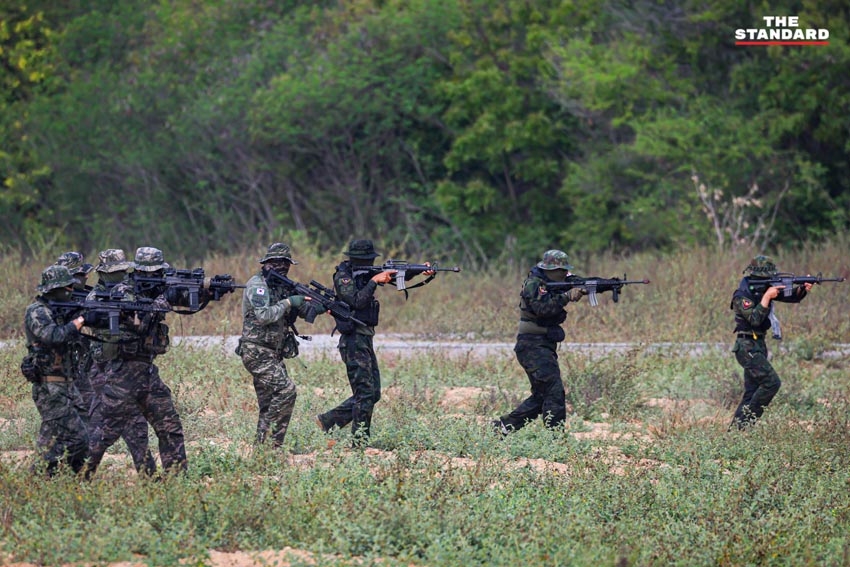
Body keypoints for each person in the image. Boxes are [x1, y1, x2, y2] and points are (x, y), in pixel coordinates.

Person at [85, 248, 185, 477]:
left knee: (170, 426)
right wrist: (161, 302)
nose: (154, 276)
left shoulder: (154, 289)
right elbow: (137, 325)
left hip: (147, 371)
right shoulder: (123, 291)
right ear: (138, 271)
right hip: (122, 373)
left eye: (158, 272)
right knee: (106, 431)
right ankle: (78, 476)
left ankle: (178, 482)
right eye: (150, 272)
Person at [316, 239, 400, 445]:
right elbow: (356, 301)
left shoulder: (366, 274)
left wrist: (422, 272)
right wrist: (374, 282)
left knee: (373, 393)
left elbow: (397, 276)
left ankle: (329, 420)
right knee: (364, 394)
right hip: (353, 340)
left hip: (364, 338)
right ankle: (359, 442)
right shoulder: (343, 277)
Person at [493, 250, 584, 435]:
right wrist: (566, 296)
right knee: (553, 391)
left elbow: (573, 282)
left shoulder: (553, 283)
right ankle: (555, 438)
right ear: (550, 270)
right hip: (532, 346)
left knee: (542, 396)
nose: (564, 274)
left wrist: (596, 285)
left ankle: (502, 428)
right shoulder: (534, 284)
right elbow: (543, 308)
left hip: (541, 345)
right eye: (561, 271)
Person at [238, 242, 319, 449]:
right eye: (275, 263)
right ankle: (272, 447)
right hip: (257, 351)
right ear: (266, 264)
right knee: (286, 391)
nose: (281, 267)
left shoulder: (282, 286)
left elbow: (301, 310)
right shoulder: (258, 285)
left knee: (269, 404)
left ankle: (263, 453)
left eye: (285, 263)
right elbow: (264, 315)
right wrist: (290, 302)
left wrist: (316, 304)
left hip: (273, 353)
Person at [730, 255, 813, 429]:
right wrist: (767, 297)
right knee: (771, 383)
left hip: (758, 344)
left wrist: (802, 288)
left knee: (752, 391)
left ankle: (736, 432)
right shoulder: (742, 296)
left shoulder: (763, 290)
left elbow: (790, 296)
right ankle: (744, 426)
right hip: (746, 346)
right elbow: (754, 319)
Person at [22, 265, 89, 476]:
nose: (71, 291)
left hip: (67, 384)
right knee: (77, 438)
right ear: (55, 289)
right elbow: (53, 336)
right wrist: (78, 322)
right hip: (49, 386)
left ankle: (63, 481)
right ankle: (42, 474)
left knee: (66, 438)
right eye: (67, 288)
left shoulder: (59, 311)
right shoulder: (37, 311)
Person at [54, 252, 96, 425]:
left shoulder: (87, 296)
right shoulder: (53, 304)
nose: (86, 277)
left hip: (81, 365)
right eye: (81, 274)